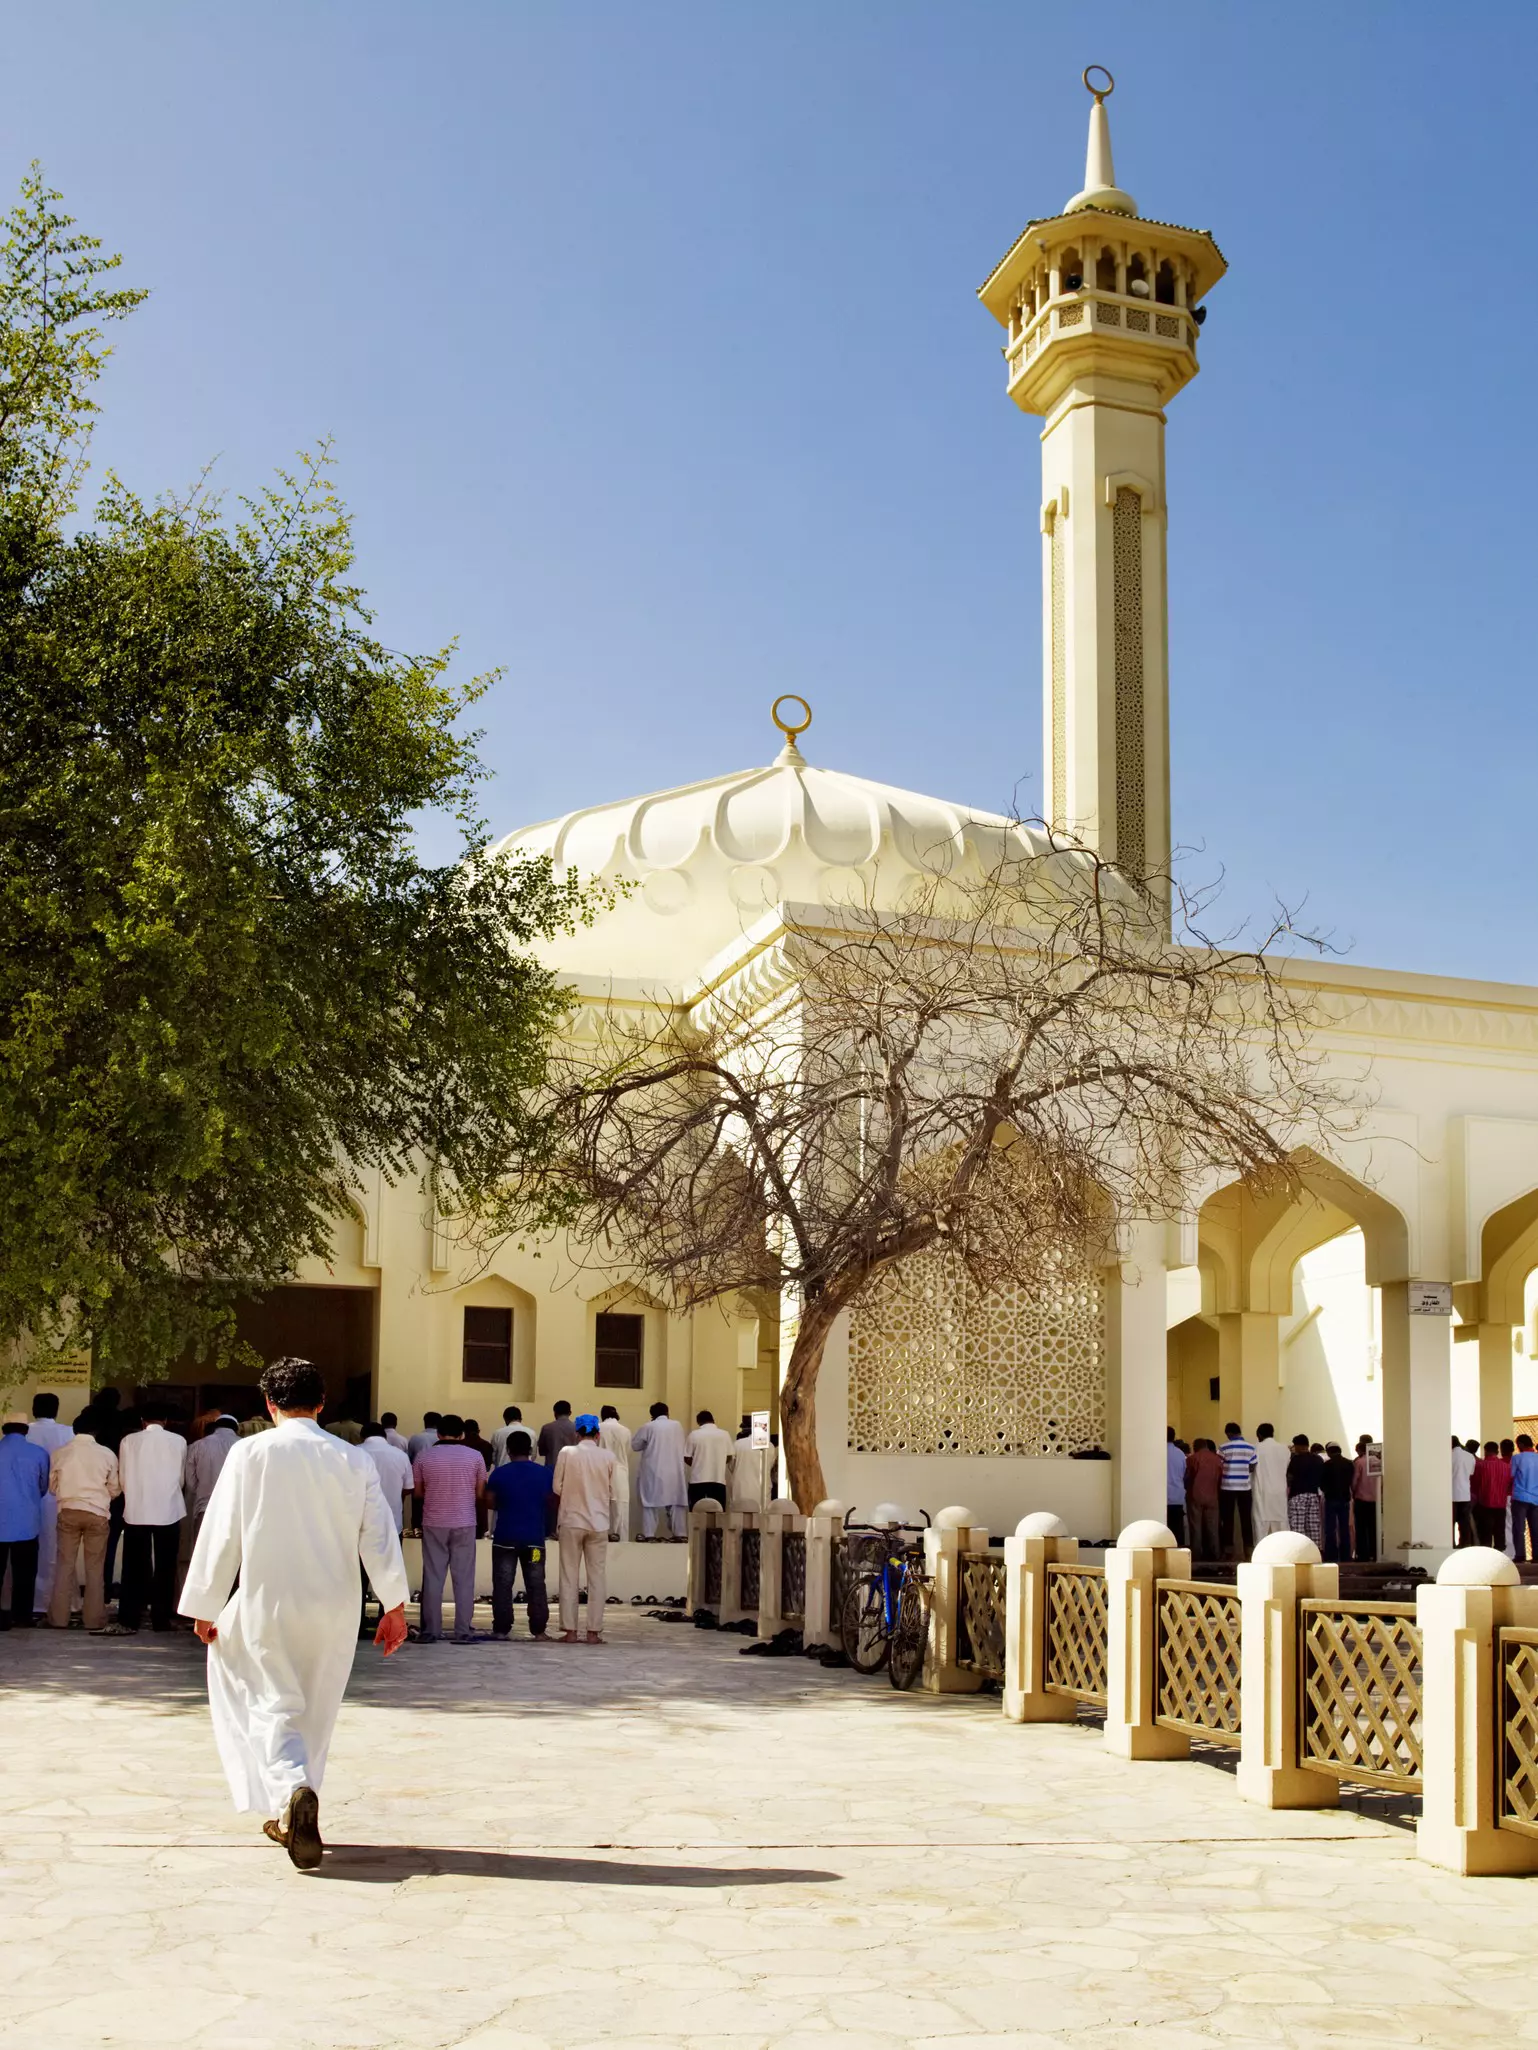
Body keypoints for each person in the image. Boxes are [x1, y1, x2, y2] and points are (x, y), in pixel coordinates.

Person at [178, 1356, 407, 1872]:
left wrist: (205, 1603)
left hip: (268, 1598)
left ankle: (292, 1790)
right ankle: (294, 1808)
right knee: (316, 1711)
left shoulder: (249, 1453)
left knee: (268, 1700)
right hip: (337, 1605)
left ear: (268, 1403)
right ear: (322, 1404)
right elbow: (379, 1537)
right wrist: (393, 1605)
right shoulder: (354, 1459)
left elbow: (222, 1532)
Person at [110, 1397, 187, 1633]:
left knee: (133, 1566)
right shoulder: (179, 1441)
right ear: (165, 1421)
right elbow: (181, 1478)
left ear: (142, 1421)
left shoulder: (128, 1441)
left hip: (136, 1509)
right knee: (165, 1566)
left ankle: (129, 1618)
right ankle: (161, 1620)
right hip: (169, 1510)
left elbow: (123, 1477)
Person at [413, 1414, 485, 1643]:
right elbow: (480, 1493)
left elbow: (417, 1493)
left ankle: (431, 1631)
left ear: (438, 1434)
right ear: (462, 1434)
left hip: (434, 1521)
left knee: (433, 1576)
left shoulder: (424, 1456)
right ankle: (463, 1630)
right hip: (465, 1521)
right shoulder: (475, 1457)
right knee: (463, 1578)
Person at [46, 1409, 119, 1631]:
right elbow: (115, 1488)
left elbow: (52, 1487)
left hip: (68, 1511)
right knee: (94, 1568)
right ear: (96, 1431)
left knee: (64, 1566)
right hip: (97, 1513)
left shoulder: (60, 1453)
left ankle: (58, 1619)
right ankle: (94, 1620)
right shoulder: (107, 1454)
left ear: (74, 1430)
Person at [552, 1416, 619, 1643]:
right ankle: (593, 1632)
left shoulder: (566, 1453)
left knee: (569, 1576)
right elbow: (614, 1491)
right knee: (597, 1578)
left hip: (571, 1521)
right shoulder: (608, 1456)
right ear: (597, 1434)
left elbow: (556, 1486)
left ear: (577, 1434)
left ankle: (570, 1631)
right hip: (599, 1523)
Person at [485, 1430, 553, 1639]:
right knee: (536, 1583)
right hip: (534, 1542)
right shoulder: (544, 1473)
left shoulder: (499, 1474)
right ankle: (539, 1630)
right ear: (531, 1450)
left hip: (505, 1540)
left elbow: (489, 1501)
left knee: (503, 1584)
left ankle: (501, 1629)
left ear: (508, 1450)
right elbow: (551, 1501)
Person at [0, 1413, 50, 1628]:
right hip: (27, 1521)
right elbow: (43, 1486)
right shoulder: (38, 1453)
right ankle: (22, 1616)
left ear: (4, 1430)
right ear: (25, 1430)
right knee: (25, 1572)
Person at [27, 1395, 73, 1615]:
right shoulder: (67, 1432)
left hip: (28, 1500)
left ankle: (27, 1602)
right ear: (57, 1409)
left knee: (26, 1553)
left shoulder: (24, 1431)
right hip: (58, 1499)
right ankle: (57, 1602)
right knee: (56, 1552)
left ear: (33, 1409)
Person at [631, 1401, 688, 1540]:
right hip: (674, 1471)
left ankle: (649, 1534)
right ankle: (680, 1533)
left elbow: (635, 1446)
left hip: (653, 1470)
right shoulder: (677, 1426)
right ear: (667, 1412)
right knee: (676, 1502)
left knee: (650, 1503)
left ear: (652, 1415)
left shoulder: (648, 1426)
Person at [184, 1414, 239, 1558]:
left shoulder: (197, 1445)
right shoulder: (243, 1445)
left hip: (205, 1507)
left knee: (203, 1555)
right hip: (235, 1510)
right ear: (236, 1428)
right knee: (232, 1557)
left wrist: (203, 1491)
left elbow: (190, 1483)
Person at [360, 1423, 414, 1534]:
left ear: (362, 1436)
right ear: (384, 1437)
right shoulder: (401, 1455)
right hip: (393, 1522)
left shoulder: (353, 1452)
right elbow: (409, 1487)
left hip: (361, 1522)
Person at [1218, 1421, 1257, 1561]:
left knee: (1227, 1519)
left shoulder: (1223, 1447)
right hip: (1245, 1487)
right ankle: (1249, 1549)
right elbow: (1252, 1467)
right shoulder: (1251, 1447)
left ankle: (1228, 1550)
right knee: (1246, 1518)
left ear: (1228, 1433)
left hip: (1227, 1487)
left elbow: (1219, 1466)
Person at [684, 1410, 732, 1511]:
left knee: (696, 1513)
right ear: (713, 1420)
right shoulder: (724, 1434)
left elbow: (686, 1457)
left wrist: (698, 1463)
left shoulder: (694, 1434)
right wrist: (718, 1463)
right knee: (718, 1515)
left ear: (699, 1422)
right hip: (718, 1480)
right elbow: (729, 1456)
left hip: (697, 1481)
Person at [1184, 1437, 1222, 1560]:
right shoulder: (1217, 1459)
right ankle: (1214, 1556)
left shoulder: (1192, 1459)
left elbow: (1188, 1477)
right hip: (1212, 1497)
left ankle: (1196, 1556)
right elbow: (1220, 1478)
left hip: (1195, 1496)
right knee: (1212, 1528)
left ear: (1196, 1447)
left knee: (1196, 1528)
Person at [599, 1405, 633, 1540]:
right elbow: (628, 1452)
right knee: (621, 1507)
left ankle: (602, 1536)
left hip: (601, 1470)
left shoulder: (598, 1428)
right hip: (620, 1471)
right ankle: (621, 1538)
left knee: (602, 1505)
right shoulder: (625, 1431)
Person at [1286, 1433, 1326, 1547]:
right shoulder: (1318, 1459)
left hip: (1298, 1495)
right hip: (1313, 1495)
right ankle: (1315, 1551)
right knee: (1313, 1526)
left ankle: (1299, 1550)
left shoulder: (1295, 1459)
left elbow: (1290, 1477)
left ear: (1298, 1445)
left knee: (1298, 1527)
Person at [1252, 1422, 1290, 1541]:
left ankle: (1261, 1552)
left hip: (1262, 1490)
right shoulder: (1284, 1449)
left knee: (1261, 1522)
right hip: (1279, 1491)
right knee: (1280, 1522)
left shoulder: (1257, 1448)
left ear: (1259, 1434)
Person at [1472, 1439, 1512, 1549]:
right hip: (1501, 1503)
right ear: (1497, 1451)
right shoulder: (1506, 1466)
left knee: (1486, 1532)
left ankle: (1487, 1554)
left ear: (1486, 1451)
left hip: (1485, 1503)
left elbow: (1475, 1484)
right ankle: (1500, 1553)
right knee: (1499, 1530)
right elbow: (1510, 1483)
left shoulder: (1480, 1466)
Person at [1320, 1442, 1354, 1562]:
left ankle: (1331, 1556)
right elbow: (1351, 1481)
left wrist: (1328, 1491)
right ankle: (1345, 1556)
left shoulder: (1327, 1465)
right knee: (1344, 1529)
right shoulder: (1349, 1463)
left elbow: (1322, 1483)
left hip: (1331, 1499)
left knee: (1330, 1529)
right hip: (1344, 1498)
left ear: (1329, 1452)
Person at [728, 1419, 769, 1513]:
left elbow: (731, 1466)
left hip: (741, 1488)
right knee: (760, 1519)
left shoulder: (738, 1444)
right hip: (762, 1489)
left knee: (739, 1517)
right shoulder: (769, 1446)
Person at [1351, 1435, 1380, 1561]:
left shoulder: (1359, 1462)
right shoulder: (1380, 1461)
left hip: (1361, 1499)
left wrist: (1352, 1492)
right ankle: (1375, 1553)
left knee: (1361, 1529)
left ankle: (1363, 1555)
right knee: (1374, 1528)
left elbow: (1354, 1481)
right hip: (1376, 1500)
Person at [1511, 1434, 1538, 1562]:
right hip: (1536, 1498)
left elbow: (1511, 1475)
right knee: (1536, 1528)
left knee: (1519, 1528)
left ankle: (1520, 1555)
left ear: (1521, 1444)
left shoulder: (1517, 1458)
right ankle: (1536, 1556)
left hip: (1520, 1497)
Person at [1451, 1433, 1478, 1547]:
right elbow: (1471, 1472)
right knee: (1464, 1522)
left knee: (1450, 1523)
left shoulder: (1448, 1455)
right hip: (1465, 1493)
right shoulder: (1470, 1456)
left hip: (1451, 1494)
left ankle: (1451, 1544)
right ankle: (1464, 1544)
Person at [537, 1401, 578, 1470]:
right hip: (572, 1468)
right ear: (570, 1413)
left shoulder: (547, 1428)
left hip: (552, 1468)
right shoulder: (577, 1428)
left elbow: (542, 1451)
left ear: (555, 1413)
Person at [1164, 1425, 1187, 1546]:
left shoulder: (1156, 1452)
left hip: (1162, 1497)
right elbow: (1184, 1473)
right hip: (1177, 1496)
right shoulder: (1180, 1454)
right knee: (1177, 1531)